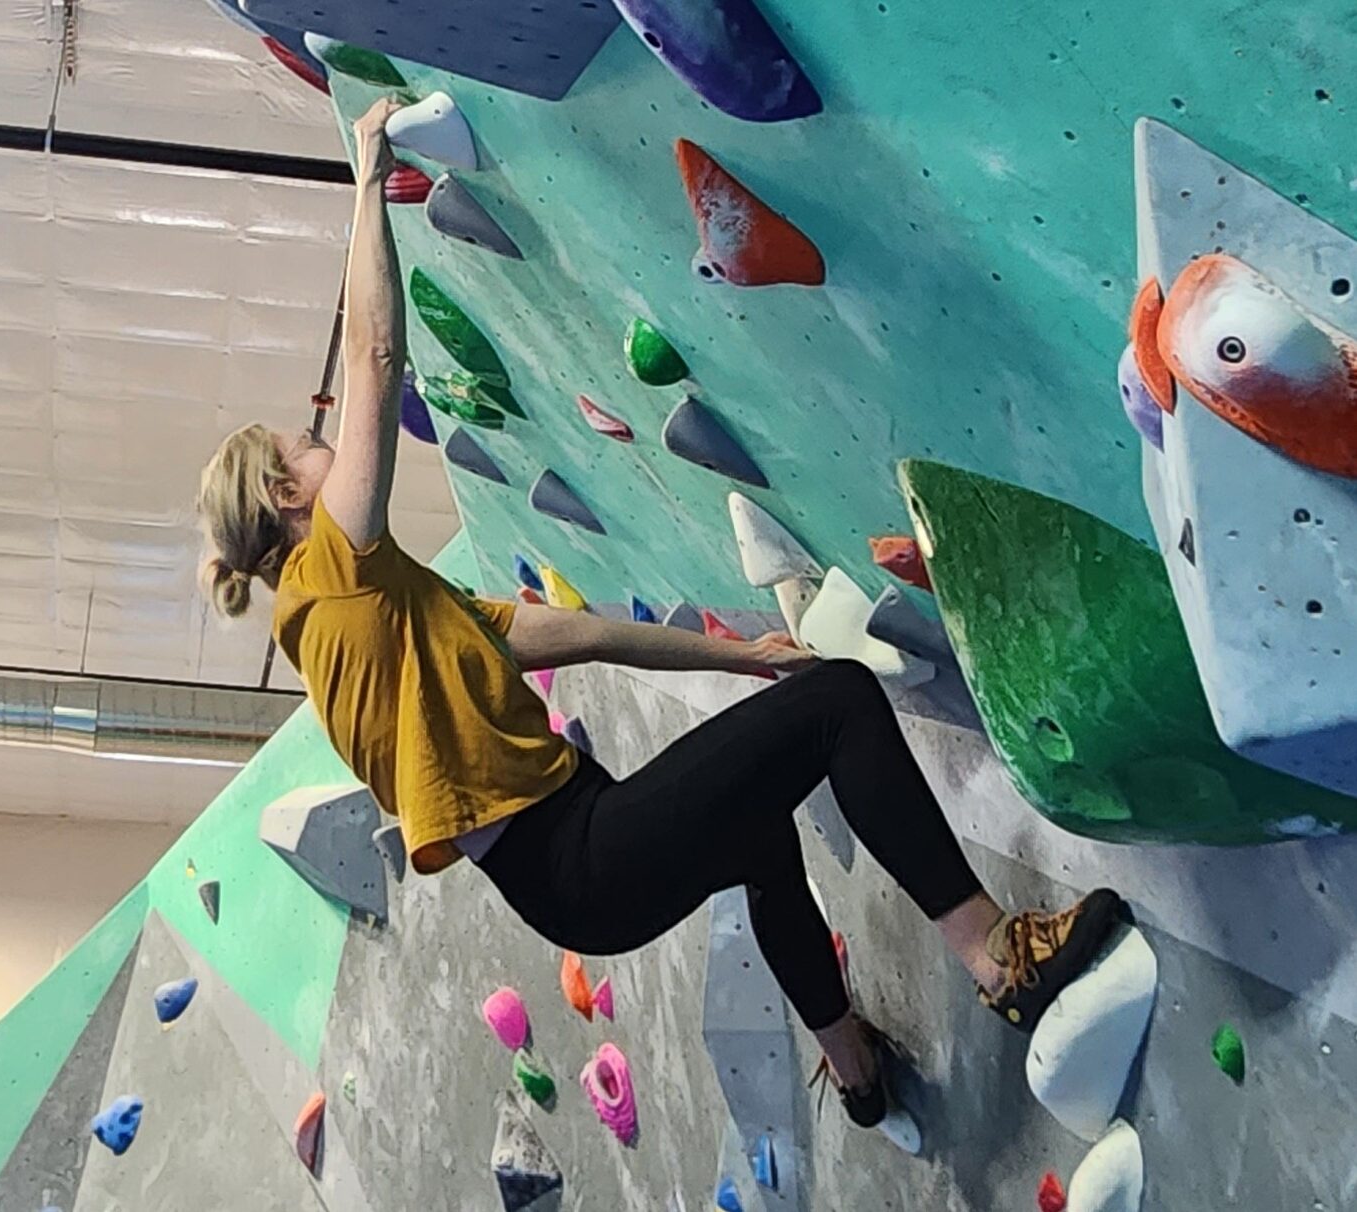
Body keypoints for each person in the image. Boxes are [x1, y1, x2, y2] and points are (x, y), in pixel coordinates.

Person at [197, 98, 1122, 1145]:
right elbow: (372, 359)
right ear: (284, 492)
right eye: (304, 448)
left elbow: (561, 632)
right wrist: (365, 177)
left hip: (575, 870)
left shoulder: (359, 622)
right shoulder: (334, 575)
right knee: (842, 703)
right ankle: (994, 954)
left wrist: (738, 659)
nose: (325, 450)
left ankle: (854, 1067)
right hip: (580, 853)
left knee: (760, 835)